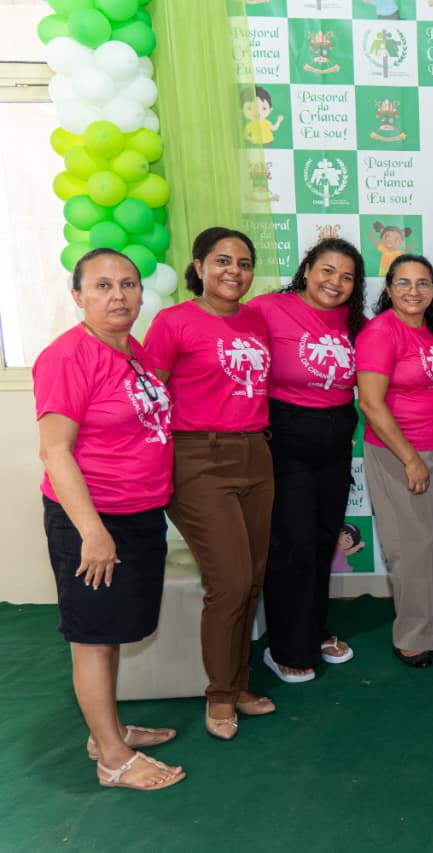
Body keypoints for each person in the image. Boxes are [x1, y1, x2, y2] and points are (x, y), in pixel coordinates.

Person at [35, 249, 184, 790]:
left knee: (113, 629)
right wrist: (92, 533)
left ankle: (109, 733)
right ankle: (113, 761)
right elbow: (55, 451)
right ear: (77, 295)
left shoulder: (130, 349)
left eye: (128, 284)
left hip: (138, 513)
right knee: (94, 638)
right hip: (94, 521)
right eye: (102, 286)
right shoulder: (68, 357)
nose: (118, 295)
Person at [143, 227, 275, 739]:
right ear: (198, 266)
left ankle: (238, 684)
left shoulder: (255, 319)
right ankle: (219, 695)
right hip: (198, 458)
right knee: (230, 583)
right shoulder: (173, 321)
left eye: (244, 263)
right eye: (222, 261)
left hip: (256, 453)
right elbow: (149, 397)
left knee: (253, 579)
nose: (234, 271)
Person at [253, 237, 367, 683]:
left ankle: (313, 631)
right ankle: (285, 648)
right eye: (327, 271)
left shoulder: (355, 321)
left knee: (321, 541)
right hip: (285, 437)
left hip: (336, 440)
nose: (335, 282)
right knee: (292, 545)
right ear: (306, 270)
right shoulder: (268, 308)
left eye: (347, 277)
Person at [356, 254, 433, 668]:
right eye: (403, 283)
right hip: (398, 451)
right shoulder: (381, 333)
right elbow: (371, 403)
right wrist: (410, 459)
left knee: (430, 543)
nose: (414, 291)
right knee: (410, 546)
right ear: (388, 289)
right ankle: (412, 637)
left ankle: (431, 624)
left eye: (423, 283)